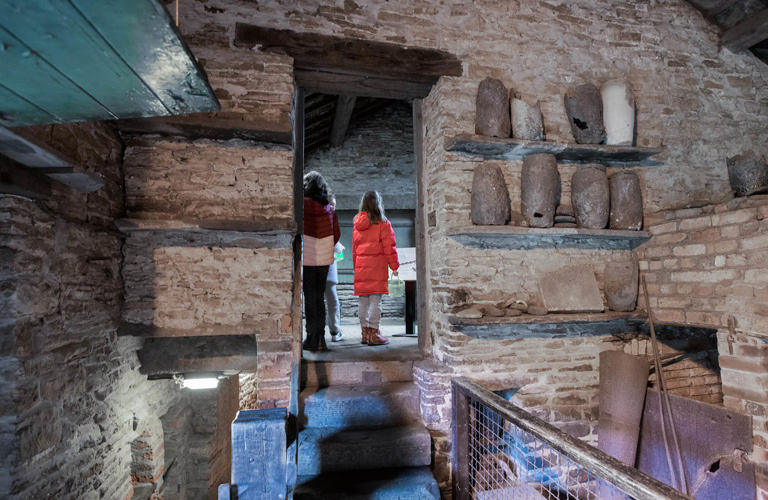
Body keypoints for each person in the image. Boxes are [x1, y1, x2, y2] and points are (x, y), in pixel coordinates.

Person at [352, 191, 399, 346]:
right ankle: (374, 333)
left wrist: (356, 267)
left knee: (362, 302)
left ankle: (364, 333)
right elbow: (389, 247)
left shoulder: (357, 225)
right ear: (378, 203)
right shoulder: (383, 223)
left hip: (361, 267)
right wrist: (394, 266)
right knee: (375, 302)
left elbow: (354, 249)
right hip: (377, 268)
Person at [303, 171, 340, 352]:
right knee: (320, 296)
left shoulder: (302, 206)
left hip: (308, 254)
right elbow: (337, 235)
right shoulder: (330, 210)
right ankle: (321, 339)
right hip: (324, 256)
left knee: (310, 297)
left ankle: (311, 337)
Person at [325, 195, 344, 342]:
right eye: (331, 204)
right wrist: (338, 247)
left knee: (330, 298)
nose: (333, 207)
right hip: (327, 263)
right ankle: (334, 330)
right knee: (332, 299)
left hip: (326, 263)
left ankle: (333, 330)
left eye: (334, 204)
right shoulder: (328, 218)